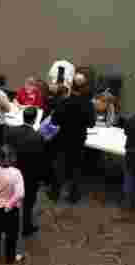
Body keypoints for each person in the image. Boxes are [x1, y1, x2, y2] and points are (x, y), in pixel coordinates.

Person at [49, 73, 96, 204]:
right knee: (76, 169)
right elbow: (91, 123)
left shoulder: (64, 102)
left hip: (63, 138)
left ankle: (54, 193)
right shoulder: (88, 105)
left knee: (59, 167)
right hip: (79, 139)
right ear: (83, 88)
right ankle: (73, 196)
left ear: (71, 86)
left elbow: (54, 121)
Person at [5, 107, 46, 238]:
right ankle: (26, 227)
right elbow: (40, 160)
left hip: (11, 171)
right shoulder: (38, 137)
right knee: (28, 203)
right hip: (29, 176)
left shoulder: (10, 131)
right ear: (35, 120)